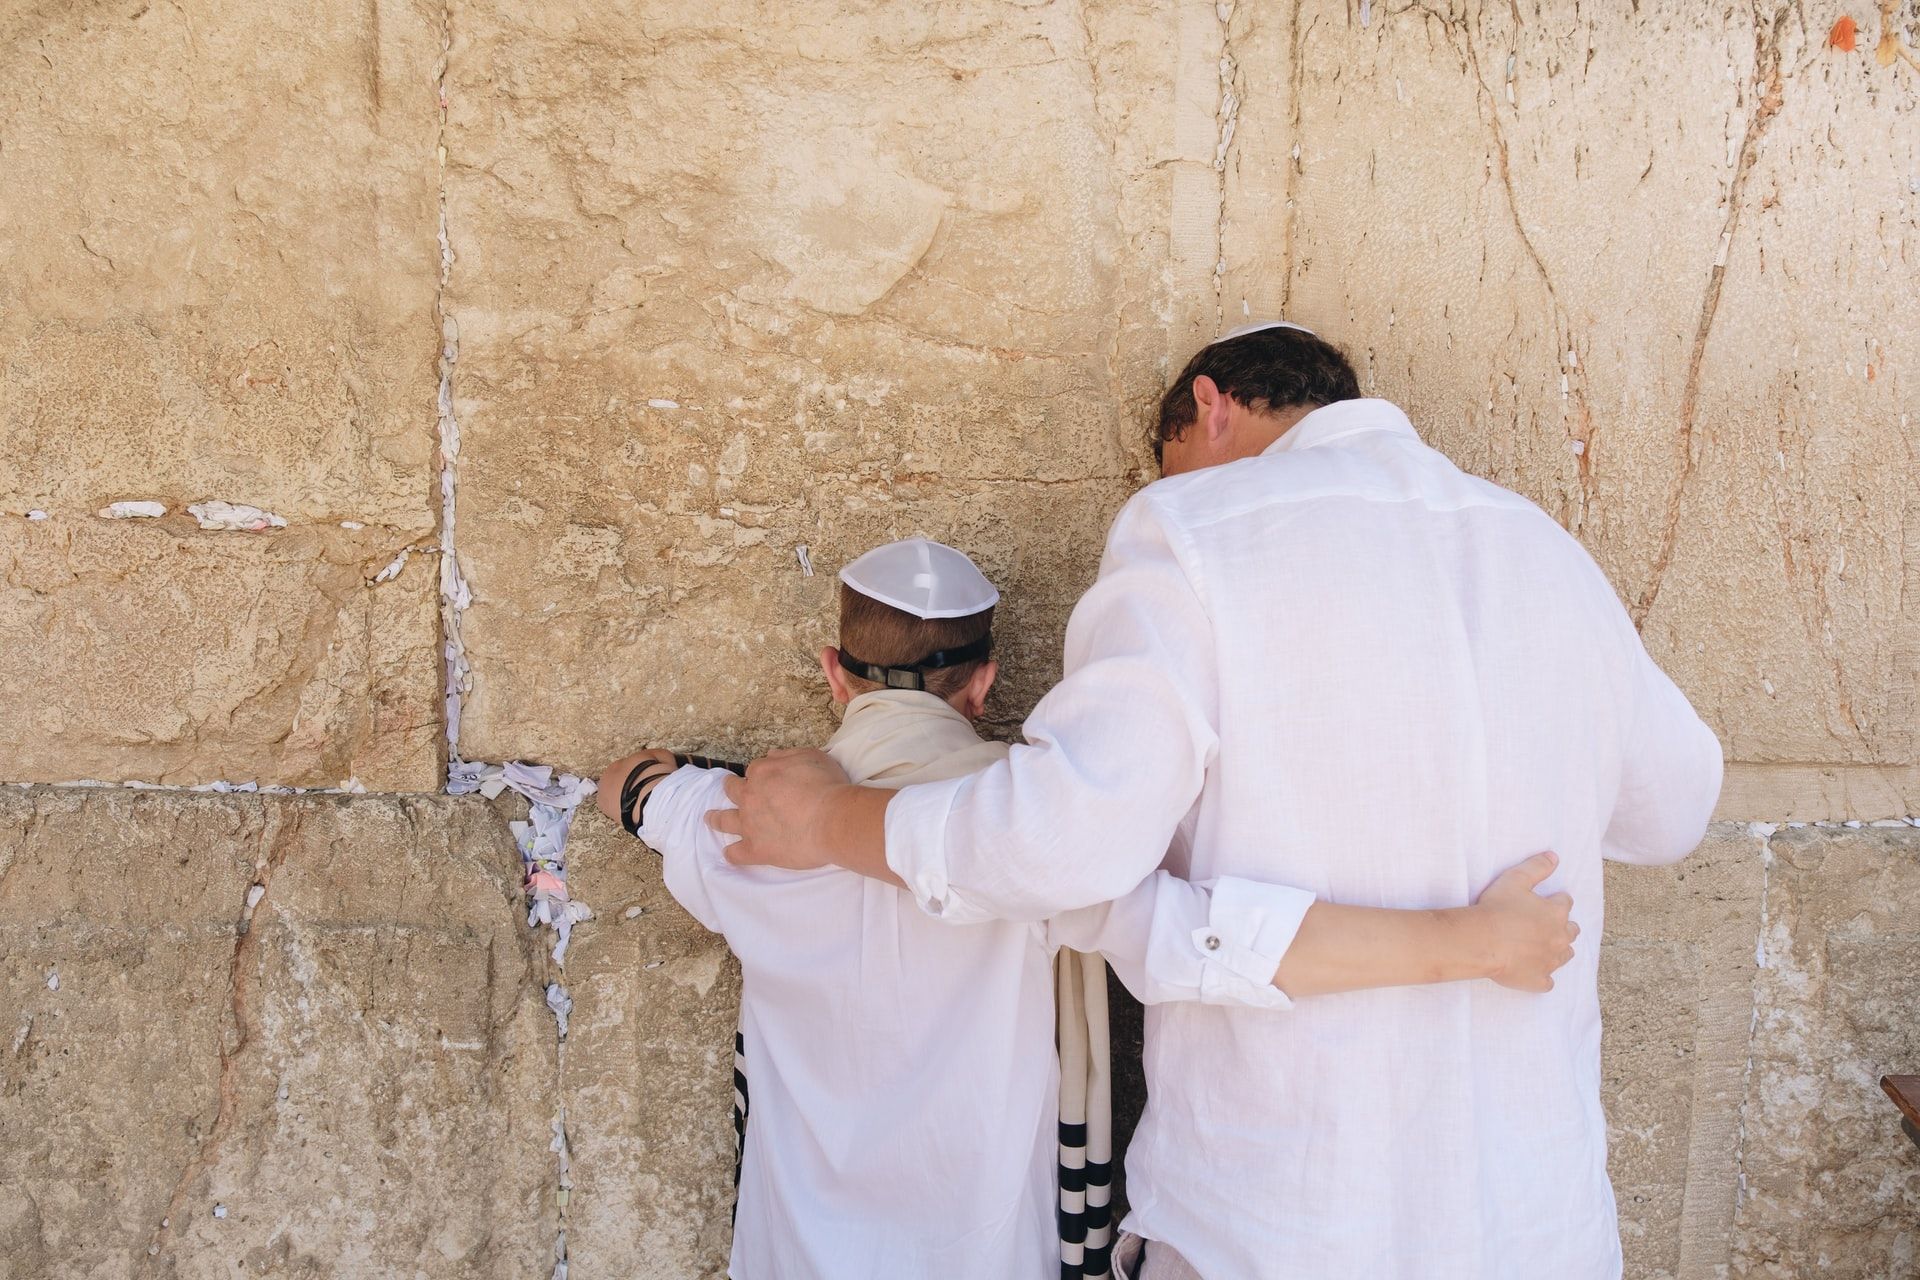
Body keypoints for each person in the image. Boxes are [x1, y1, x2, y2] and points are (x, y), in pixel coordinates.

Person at [709, 324, 1726, 1280]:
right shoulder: (1543, 547)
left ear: (1211, 405)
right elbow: (1674, 807)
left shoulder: (1194, 530)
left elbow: (1059, 843)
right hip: (1536, 1224)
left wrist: (828, 821)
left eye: (1169, 457)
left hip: (1277, 1219)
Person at [600, 533, 1581, 1280]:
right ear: (984, 682)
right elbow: (1220, 943)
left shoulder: (738, 826)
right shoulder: (1034, 838)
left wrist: (695, 779)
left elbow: (630, 786)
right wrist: (1477, 940)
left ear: (832, 669)